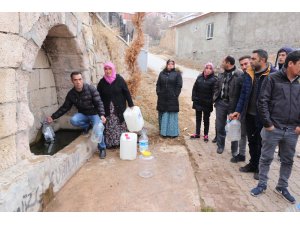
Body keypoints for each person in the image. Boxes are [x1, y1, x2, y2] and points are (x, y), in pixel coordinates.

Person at [250, 50, 300, 204]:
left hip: (292, 130)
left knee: (288, 160)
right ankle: (262, 184)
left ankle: (282, 186)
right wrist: (268, 124)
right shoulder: (273, 78)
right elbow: (262, 101)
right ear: (290, 63)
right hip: (274, 128)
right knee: (266, 158)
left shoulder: (299, 83)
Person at [230, 49, 277, 180]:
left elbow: (275, 98)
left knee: (261, 142)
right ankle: (253, 164)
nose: (250, 61)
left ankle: (260, 168)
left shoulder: (273, 74)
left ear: (262, 60)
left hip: (264, 116)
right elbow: (243, 95)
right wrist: (238, 110)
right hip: (249, 114)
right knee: (251, 141)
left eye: (253, 59)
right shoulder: (249, 73)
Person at [46, 71, 107, 159]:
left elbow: (99, 102)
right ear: (72, 81)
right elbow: (65, 107)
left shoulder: (90, 89)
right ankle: (87, 125)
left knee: (98, 129)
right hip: (83, 114)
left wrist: (102, 115)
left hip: (94, 114)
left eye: (80, 79)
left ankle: (102, 148)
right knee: (73, 120)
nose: (78, 82)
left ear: (82, 80)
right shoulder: (71, 94)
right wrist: (53, 117)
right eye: (75, 80)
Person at [97, 62, 134, 149]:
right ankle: (110, 143)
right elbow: (98, 97)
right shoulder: (102, 82)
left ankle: (121, 142)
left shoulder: (119, 79)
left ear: (113, 69)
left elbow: (126, 92)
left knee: (119, 123)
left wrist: (131, 104)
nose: (108, 71)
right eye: (106, 69)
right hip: (107, 108)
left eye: (109, 69)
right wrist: (99, 109)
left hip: (119, 107)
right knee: (109, 125)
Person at [213, 55, 243, 155]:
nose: (222, 63)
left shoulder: (239, 75)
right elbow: (216, 86)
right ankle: (220, 146)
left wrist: (239, 108)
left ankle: (234, 150)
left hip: (233, 106)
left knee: (234, 127)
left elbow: (242, 92)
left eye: (223, 61)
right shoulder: (221, 73)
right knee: (220, 126)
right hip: (221, 103)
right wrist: (215, 98)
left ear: (228, 63)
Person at [273, 47, 294, 159]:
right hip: (277, 109)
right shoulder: (275, 72)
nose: (280, 58)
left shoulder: (294, 75)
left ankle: (283, 153)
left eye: (283, 55)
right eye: (279, 55)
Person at [230, 55, 251, 163]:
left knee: (255, 139)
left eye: (246, 64)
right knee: (242, 135)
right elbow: (237, 96)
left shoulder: (260, 77)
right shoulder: (241, 78)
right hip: (242, 111)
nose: (243, 67)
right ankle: (242, 154)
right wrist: (234, 111)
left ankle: (255, 162)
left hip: (255, 113)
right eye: (242, 65)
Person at [190, 62, 217, 142]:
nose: (208, 70)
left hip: (207, 103)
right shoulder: (199, 77)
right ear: (204, 68)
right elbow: (194, 89)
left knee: (206, 119)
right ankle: (197, 133)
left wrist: (211, 101)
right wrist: (194, 98)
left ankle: (206, 135)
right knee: (198, 118)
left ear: (212, 70)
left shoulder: (214, 79)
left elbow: (214, 92)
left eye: (210, 68)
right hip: (198, 102)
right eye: (207, 68)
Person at [156, 59, 183, 138]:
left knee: (171, 115)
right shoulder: (162, 73)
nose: (171, 65)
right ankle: (163, 133)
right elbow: (158, 84)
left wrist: (176, 94)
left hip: (172, 98)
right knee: (163, 114)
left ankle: (172, 133)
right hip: (162, 98)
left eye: (172, 64)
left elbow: (179, 85)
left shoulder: (177, 74)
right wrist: (158, 92)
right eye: (169, 64)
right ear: (166, 65)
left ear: (174, 65)